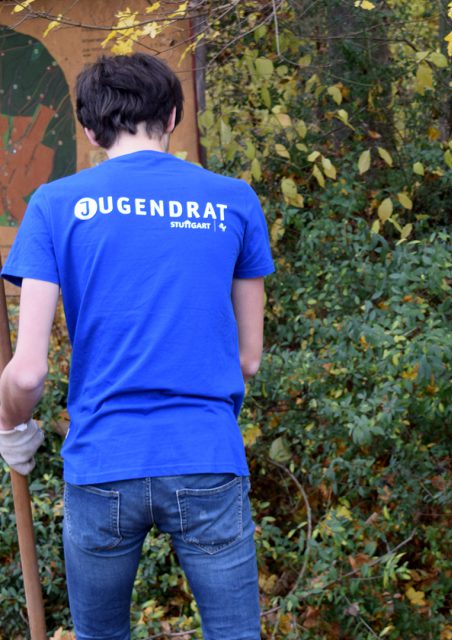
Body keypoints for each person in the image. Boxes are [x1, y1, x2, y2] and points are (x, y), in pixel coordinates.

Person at [0, 53, 273, 639]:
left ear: (90, 130)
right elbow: (248, 359)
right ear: (172, 116)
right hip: (207, 454)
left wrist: (10, 427)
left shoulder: (54, 204)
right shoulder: (233, 199)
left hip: (103, 462)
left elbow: (25, 375)